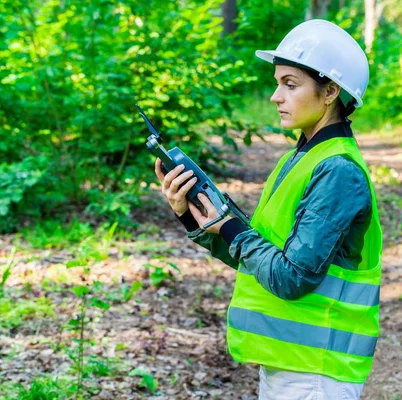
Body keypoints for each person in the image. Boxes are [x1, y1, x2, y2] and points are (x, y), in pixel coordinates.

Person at [155, 19, 382, 400]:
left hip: (316, 373)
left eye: (290, 84)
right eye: (277, 83)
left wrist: (230, 228)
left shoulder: (338, 170)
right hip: (292, 363)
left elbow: (292, 277)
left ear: (330, 92)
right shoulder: (301, 159)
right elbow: (258, 258)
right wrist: (191, 214)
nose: (276, 96)